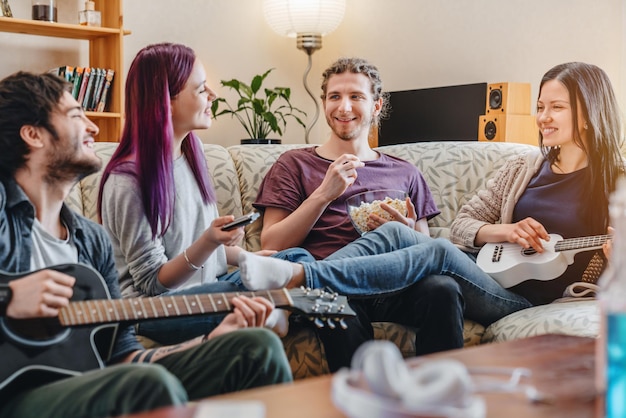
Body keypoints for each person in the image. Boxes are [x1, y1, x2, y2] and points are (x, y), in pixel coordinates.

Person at [0, 71, 292, 418]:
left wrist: (209, 341)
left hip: (90, 386)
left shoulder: (92, 242)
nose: (94, 128)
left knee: (256, 347)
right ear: (33, 134)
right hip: (15, 396)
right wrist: (8, 298)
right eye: (78, 116)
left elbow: (124, 356)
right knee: (148, 384)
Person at [244, 57, 531, 371]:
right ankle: (363, 399)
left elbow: (426, 250)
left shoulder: (404, 171)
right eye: (334, 96)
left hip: (396, 284)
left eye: (356, 97)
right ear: (324, 102)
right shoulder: (293, 164)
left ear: (377, 106)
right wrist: (324, 194)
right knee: (333, 303)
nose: (344, 107)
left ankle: (439, 392)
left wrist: (407, 228)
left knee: (442, 289)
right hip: (334, 286)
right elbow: (271, 242)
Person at [97, 43, 309, 344]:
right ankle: (278, 310)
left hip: (209, 283)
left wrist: (246, 257)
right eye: (200, 89)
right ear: (166, 101)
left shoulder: (191, 151)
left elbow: (198, 249)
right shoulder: (127, 181)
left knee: (298, 260)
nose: (213, 95)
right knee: (251, 290)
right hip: (155, 310)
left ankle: (278, 308)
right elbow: (153, 282)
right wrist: (209, 241)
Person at [450, 61, 624, 305]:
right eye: (540, 107)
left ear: (589, 114)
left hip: (529, 301)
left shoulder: (619, 182)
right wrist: (508, 231)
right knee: (438, 288)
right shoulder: (523, 167)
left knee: (436, 253)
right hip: (492, 282)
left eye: (557, 107)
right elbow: (460, 226)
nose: (543, 117)